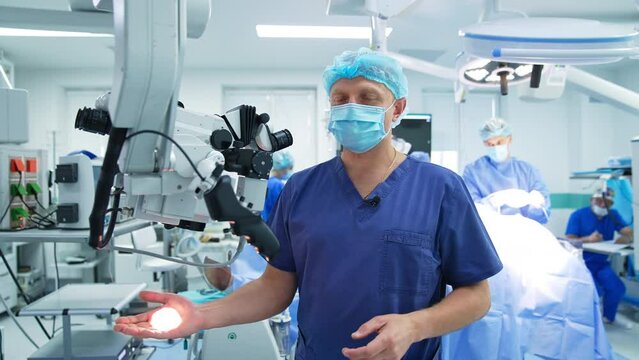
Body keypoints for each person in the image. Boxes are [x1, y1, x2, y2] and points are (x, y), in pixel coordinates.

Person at [114, 47, 503, 359]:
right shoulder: (301, 189)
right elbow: (275, 288)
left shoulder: (440, 188)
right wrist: (200, 315)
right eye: (341, 98)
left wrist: (414, 326)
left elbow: (476, 295)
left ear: (396, 109)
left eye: (368, 98)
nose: (351, 107)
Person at [566, 188, 634, 329]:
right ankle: (587, 324)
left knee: (617, 288)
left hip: (601, 264)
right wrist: (588, 239)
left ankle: (608, 318)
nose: (603, 205)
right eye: (599, 201)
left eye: (607, 202)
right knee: (595, 291)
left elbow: (628, 232)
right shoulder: (578, 215)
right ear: (592, 200)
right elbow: (569, 241)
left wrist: (626, 237)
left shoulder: (612, 215)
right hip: (582, 264)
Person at [462, 117, 551, 224]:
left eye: (499, 142)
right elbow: (470, 209)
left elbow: (543, 212)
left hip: (524, 230)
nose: (495, 148)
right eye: (490, 144)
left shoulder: (527, 171)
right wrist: (491, 202)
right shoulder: (473, 171)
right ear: (484, 143)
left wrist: (535, 202)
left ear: (509, 139)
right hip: (490, 230)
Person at [262, 151, 294, 221]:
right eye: (290, 168)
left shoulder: (267, 183)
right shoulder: (277, 185)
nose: (290, 171)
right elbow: (285, 210)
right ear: (284, 167)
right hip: (273, 226)